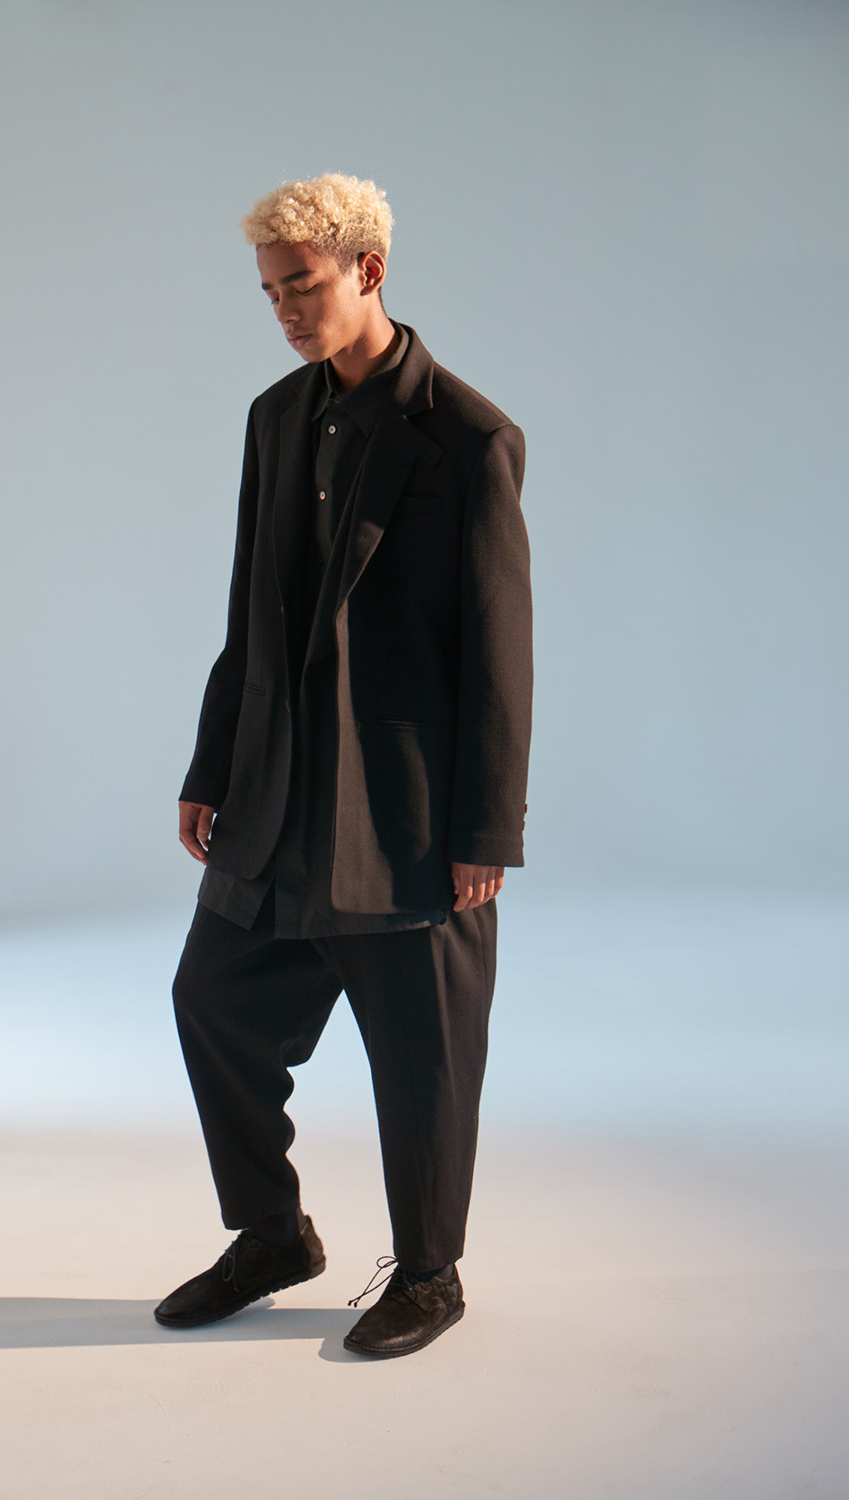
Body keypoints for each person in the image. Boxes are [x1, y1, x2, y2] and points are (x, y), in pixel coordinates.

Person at [154, 173, 532, 1358]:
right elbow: (248, 612)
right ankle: (272, 1236)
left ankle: (429, 1274)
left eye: (301, 286)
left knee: (421, 1057)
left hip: (404, 814)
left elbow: (499, 648)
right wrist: (211, 762)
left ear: (368, 270)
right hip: (277, 795)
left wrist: (487, 830)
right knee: (211, 1001)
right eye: (269, 292)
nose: (283, 310)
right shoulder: (275, 417)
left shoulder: (468, 438)